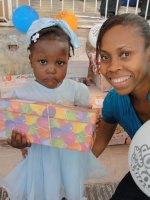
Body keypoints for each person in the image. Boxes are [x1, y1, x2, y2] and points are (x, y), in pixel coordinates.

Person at [0, 18, 105, 200]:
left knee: (70, 186)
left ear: (67, 61)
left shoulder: (76, 90)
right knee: (44, 190)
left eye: (59, 63)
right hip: (41, 157)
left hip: (69, 155)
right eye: (43, 62)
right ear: (31, 60)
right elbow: (13, 132)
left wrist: (90, 123)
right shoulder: (21, 96)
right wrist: (17, 142)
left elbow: (85, 118)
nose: (51, 69)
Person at [92, 13, 150, 199]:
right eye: (105, 57)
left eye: (125, 54)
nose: (112, 67)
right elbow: (97, 144)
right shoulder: (114, 102)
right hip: (145, 174)